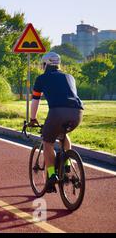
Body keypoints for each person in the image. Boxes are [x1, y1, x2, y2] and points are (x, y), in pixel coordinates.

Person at [28, 51, 84, 193]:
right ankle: (67, 163)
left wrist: (33, 119)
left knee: (48, 142)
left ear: (45, 64)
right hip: (77, 113)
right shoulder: (69, 77)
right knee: (64, 135)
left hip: (57, 112)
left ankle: (52, 174)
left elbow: (35, 100)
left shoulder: (41, 78)